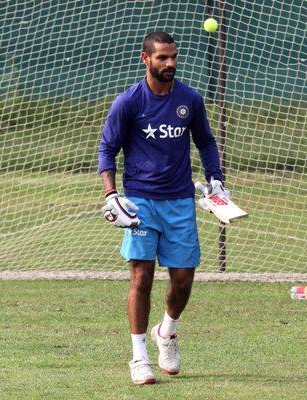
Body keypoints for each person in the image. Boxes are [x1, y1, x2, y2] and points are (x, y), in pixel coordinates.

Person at [98, 31, 230, 385]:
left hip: (180, 202)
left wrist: (216, 178)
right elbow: (106, 149)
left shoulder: (190, 99)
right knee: (141, 277)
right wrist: (111, 194)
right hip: (140, 201)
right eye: (162, 58)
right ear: (146, 59)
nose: (169, 63)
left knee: (183, 280)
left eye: (173, 57)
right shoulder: (128, 102)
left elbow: (205, 141)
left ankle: (167, 331)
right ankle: (139, 357)